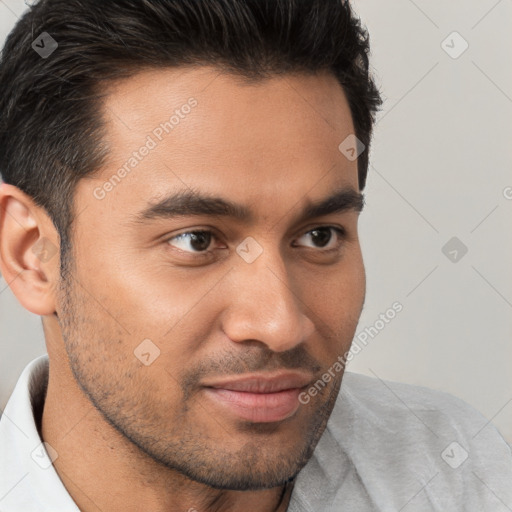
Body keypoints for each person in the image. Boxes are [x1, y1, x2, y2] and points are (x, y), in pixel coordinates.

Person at [0, 1, 510, 511]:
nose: (281, 324)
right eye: (196, 240)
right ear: (31, 255)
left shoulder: (456, 474)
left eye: (319, 237)